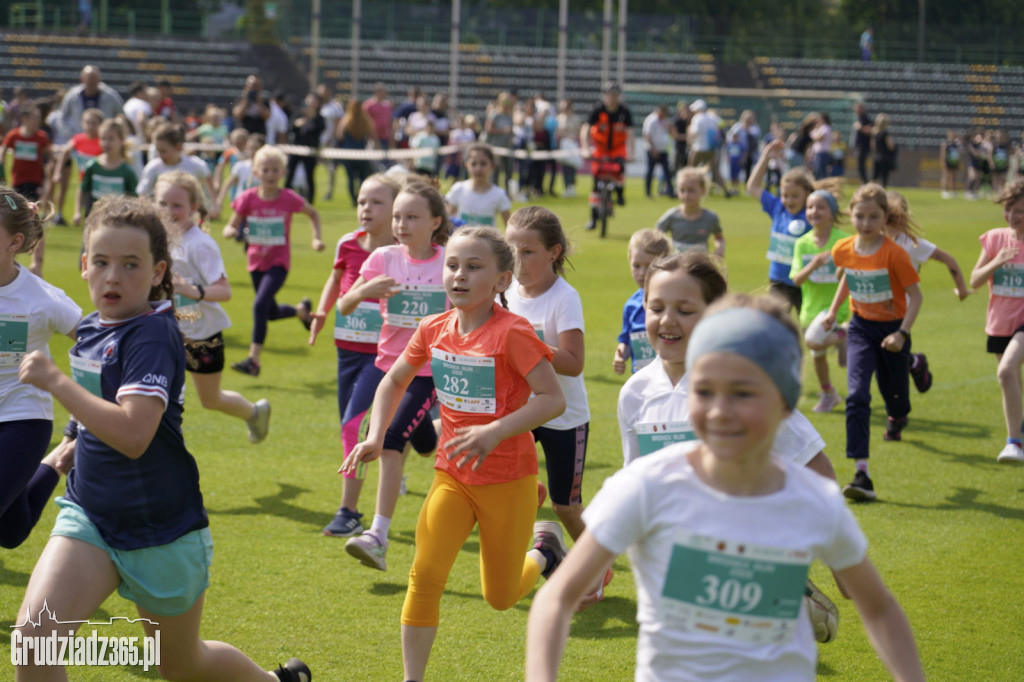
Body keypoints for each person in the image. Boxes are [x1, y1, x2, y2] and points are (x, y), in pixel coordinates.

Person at [527, 294, 925, 682]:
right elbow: (556, 598)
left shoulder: (811, 500)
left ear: (784, 405)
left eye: (742, 393)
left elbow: (880, 610)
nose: (719, 410)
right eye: (704, 390)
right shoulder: (647, 487)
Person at [14, 195, 311, 682]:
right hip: (90, 514)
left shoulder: (152, 334)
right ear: (85, 266)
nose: (114, 276)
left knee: (180, 664)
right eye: (103, 262)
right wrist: (60, 453)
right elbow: (91, 413)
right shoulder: (90, 327)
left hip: (161, 530)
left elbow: (133, 434)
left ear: (157, 272)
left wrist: (55, 382)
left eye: (131, 264)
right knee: (34, 641)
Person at [342, 226, 566, 682]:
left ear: (503, 281)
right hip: (453, 476)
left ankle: (543, 548)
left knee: (501, 597)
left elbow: (552, 398)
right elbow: (393, 380)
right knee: (424, 577)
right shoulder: (434, 328)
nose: (459, 275)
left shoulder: (513, 334)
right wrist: (375, 434)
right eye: (453, 265)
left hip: (508, 479)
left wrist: (495, 432)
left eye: (474, 267)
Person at [337, 181, 450, 569]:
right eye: (398, 216)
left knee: (386, 441)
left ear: (436, 221)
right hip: (387, 367)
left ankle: (377, 535)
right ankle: (432, 434)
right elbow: (346, 305)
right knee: (415, 440)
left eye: (412, 217)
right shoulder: (383, 258)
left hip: (428, 372)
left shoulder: (449, 262)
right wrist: (367, 287)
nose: (401, 223)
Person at [309, 173, 425, 537]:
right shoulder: (348, 243)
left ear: (396, 210)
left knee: (352, 427)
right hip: (347, 351)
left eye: (377, 202)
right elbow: (337, 279)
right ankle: (425, 433)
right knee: (399, 431)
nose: (366, 209)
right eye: (362, 201)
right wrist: (322, 313)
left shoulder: (404, 254)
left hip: (386, 358)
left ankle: (349, 511)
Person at [823, 183, 923, 501]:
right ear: (850, 215)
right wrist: (832, 310)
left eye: (873, 217)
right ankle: (861, 473)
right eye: (860, 216)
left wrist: (901, 334)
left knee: (896, 402)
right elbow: (847, 277)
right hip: (861, 329)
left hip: (893, 330)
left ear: (885, 218)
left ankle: (912, 365)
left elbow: (916, 297)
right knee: (857, 396)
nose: (866, 223)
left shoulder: (895, 254)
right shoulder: (844, 249)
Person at [156, 172, 271, 444]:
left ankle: (255, 412)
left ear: (194, 208)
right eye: (162, 204)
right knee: (157, 394)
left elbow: (224, 291)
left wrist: (190, 289)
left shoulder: (201, 245)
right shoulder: (155, 238)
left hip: (202, 334)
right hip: (166, 331)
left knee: (210, 399)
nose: (168, 212)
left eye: (177, 205)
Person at [0, 189, 80, 550]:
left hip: (22, 420)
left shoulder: (42, 300)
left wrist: (87, 410)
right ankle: (60, 460)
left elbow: (100, 344)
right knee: (11, 534)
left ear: (14, 242)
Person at [505, 207, 590, 543]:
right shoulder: (507, 291)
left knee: (565, 507)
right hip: (522, 412)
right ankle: (529, 493)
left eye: (527, 252)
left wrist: (528, 346)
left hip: (564, 417)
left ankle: (597, 567)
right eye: (511, 250)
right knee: (499, 485)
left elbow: (573, 361)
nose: (517, 260)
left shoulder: (564, 298)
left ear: (554, 252)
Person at [222, 145, 324, 376]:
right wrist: (229, 230)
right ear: (256, 172)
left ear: (282, 173)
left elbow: (313, 213)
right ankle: (300, 311)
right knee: (269, 312)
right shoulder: (248, 198)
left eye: (275, 170)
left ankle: (253, 361)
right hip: (255, 261)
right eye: (265, 170)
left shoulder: (288, 198)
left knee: (259, 305)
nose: (270, 175)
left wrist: (316, 239)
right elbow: (233, 222)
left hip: (279, 263)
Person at [885, 190, 970, 394]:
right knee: (883, 355)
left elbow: (949, 259)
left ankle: (898, 407)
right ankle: (914, 363)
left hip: (903, 310)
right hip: (873, 307)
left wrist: (962, 289)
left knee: (888, 355)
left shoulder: (911, 244)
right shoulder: (872, 241)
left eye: (893, 218)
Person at [747, 138, 842, 313]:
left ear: (807, 194)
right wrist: (766, 157)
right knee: (775, 325)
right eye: (785, 195)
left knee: (808, 326)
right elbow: (753, 186)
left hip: (805, 281)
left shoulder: (811, 215)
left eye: (794, 196)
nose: (789, 200)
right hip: (778, 280)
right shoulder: (777, 208)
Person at [968, 178, 1024, 463]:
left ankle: (1012, 442)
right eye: (1009, 209)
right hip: (1000, 321)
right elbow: (975, 280)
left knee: (1005, 372)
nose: (1012, 216)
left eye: (1020, 211)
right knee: (1012, 377)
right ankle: (1020, 435)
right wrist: (997, 261)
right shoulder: (994, 239)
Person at [790, 190, 850, 413]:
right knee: (818, 356)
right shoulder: (802, 244)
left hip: (836, 308)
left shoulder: (843, 241)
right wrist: (812, 266)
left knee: (813, 342)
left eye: (821, 207)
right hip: (809, 310)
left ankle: (845, 335)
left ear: (832, 213)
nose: (814, 211)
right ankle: (829, 395)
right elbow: (796, 280)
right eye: (810, 207)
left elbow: (854, 271)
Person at [0, 104, 51, 276]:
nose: (38, 122)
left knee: (34, 217)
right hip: (17, 183)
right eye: (35, 118)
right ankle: (11, 257)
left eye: (39, 118)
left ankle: (37, 261)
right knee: (13, 221)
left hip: (34, 182)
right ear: (25, 119)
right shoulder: (14, 135)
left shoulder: (41, 137)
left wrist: (50, 175)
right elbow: (4, 150)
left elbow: (50, 155)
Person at [613, 229, 672, 375]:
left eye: (649, 266)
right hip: (642, 381)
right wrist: (620, 356)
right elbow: (626, 341)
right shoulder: (631, 305)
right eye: (636, 265)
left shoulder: (673, 301)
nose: (642, 273)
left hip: (669, 379)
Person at [580, 82, 634, 231]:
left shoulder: (625, 112)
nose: (612, 98)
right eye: (610, 95)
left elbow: (630, 134)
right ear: (604, 95)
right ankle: (593, 218)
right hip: (600, 149)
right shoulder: (597, 110)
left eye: (616, 95)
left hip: (618, 149)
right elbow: (585, 129)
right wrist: (585, 149)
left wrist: (632, 153)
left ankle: (619, 193)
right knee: (595, 184)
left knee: (619, 170)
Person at [136, 122, 214, 206]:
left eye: (163, 151)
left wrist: (214, 203)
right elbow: (142, 195)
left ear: (178, 147)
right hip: (162, 216)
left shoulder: (194, 164)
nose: (159, 155)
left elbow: (208, 178)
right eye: (158, 151)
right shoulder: (153, 167)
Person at [655, 167, 725, 256]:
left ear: (702, 190)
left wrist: (720, 249)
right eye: (682, 190)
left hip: (700, 266)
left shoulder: (710, 218)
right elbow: (657, 234)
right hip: (677, 266)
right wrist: (664, 248)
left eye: (691, 190)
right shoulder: (672, 215)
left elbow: (719, 238)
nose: (686, 195)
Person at [79, 118, 138, 220]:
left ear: (121, 140)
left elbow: (133, 199)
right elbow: (83, 189)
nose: (106, 143)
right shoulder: (93, 165)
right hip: (94, 217)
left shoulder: (127, 171)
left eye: (111, 139)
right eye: (103, 138)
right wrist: (77, 212)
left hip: (117, 220)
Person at [55, 108, 103, 227]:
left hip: (100, 185)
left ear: (100, 124)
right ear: (82, 124)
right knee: (88, 216)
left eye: (94, 123)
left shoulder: (103, 141)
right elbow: (65, 151)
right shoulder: (79, 139)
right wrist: (58, 171)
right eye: (87, 123)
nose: (90, 126)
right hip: (84, 184)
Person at [445, 143, 511, 228]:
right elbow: (448, 219)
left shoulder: (499, 194)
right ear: (467, 165)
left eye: (483, 164)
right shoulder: (458, 189)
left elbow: (509, 227)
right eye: (473, 164)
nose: (478, 168)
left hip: (487, 241)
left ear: (493, 166)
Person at [284, 92, 325, 204]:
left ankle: (310, 202)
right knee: (290, 175)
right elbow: (291, 127)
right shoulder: (298, 114)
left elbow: (320, 129)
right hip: (296, 149)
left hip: (310, 151)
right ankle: (285, 198)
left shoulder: (319, 118)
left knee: (310, 177)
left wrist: (312, 118)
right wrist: (298, 124)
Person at [335, 99, 375, 207]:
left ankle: (354, 200)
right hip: (361, 155)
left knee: (351, 178)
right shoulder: (365, 120)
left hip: (348, 155)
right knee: (362, 178)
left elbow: (340, 135)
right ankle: (362, 198)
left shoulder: (346, 120)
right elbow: (372, 134)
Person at [642, 105, 672, 198]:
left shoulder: (665, 120)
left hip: (663, 149)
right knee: (650, 171)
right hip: (653, 150)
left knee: (667, 171)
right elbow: (647, 135)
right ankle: (648, 193)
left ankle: (670, 192)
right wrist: (653, 149)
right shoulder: (651, 120)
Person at [362, 82, 394, 152]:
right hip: (371, 138)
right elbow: (366, 121)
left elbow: (389, 121)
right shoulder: (368, 105)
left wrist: (391, 136)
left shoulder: (387, 105)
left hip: (384, 137)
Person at [872, 114, 897, 187]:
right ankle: (881, 193)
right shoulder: (886, 134)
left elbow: (873, 146)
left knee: (875, 177)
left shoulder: (875, 134)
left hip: (876, 157)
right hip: (885, 158)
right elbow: (891, 146)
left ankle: (870, 191)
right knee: (884, 178)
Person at [852, 101, 873, 184]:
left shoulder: (865, 119)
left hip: (863, 146)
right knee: (859, 166)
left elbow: (871, 130)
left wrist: (860, 128)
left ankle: (865, 182)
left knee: (862, 166)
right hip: (859, 146)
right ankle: (864, 182)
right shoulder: (859, 119)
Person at [940, 129, 963, 199]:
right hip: (947, 162)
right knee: (946, 176)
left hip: (954, 162)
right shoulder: (945, 144)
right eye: (951, 135)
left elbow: (959, 153)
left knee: (953, 177)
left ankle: (952, 190)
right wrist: (943, 162)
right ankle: (944, 191)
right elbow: (943, 154)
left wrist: (958, 162)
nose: (953, 136)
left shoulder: (956, 144)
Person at [810, 112, 833, 179]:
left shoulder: (825, 127)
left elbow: (819, 138)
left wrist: (813, 133)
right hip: (819, 153)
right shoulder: (823, 128)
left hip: (822, 153)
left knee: (821, 172)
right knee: (817, 171)